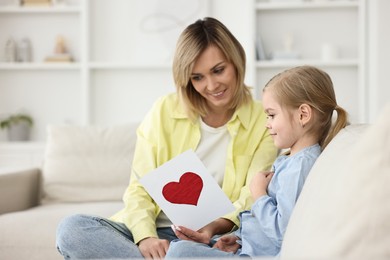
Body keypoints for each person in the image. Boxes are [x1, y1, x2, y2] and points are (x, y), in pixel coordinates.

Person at [55, 17, 277, 259]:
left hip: (209, 239)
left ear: (236, 62)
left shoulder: (263, 118)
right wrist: (145, 237)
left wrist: (214, 227)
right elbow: (139, 186)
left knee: (181, 253)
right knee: (72, 230)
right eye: (197, 77)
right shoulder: (164, 110)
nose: (211, 85)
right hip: (151, 233)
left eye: (218, 70)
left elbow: (252, 193)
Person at [165, 65, 349, 258]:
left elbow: (283, 234)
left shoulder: (299, 167)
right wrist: (239, 239)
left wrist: (259, 193)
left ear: (303, 114)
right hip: (249, 249)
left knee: (179, 252)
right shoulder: (293, 161)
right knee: (180, 248)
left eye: (272, 115)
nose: (267, 123)